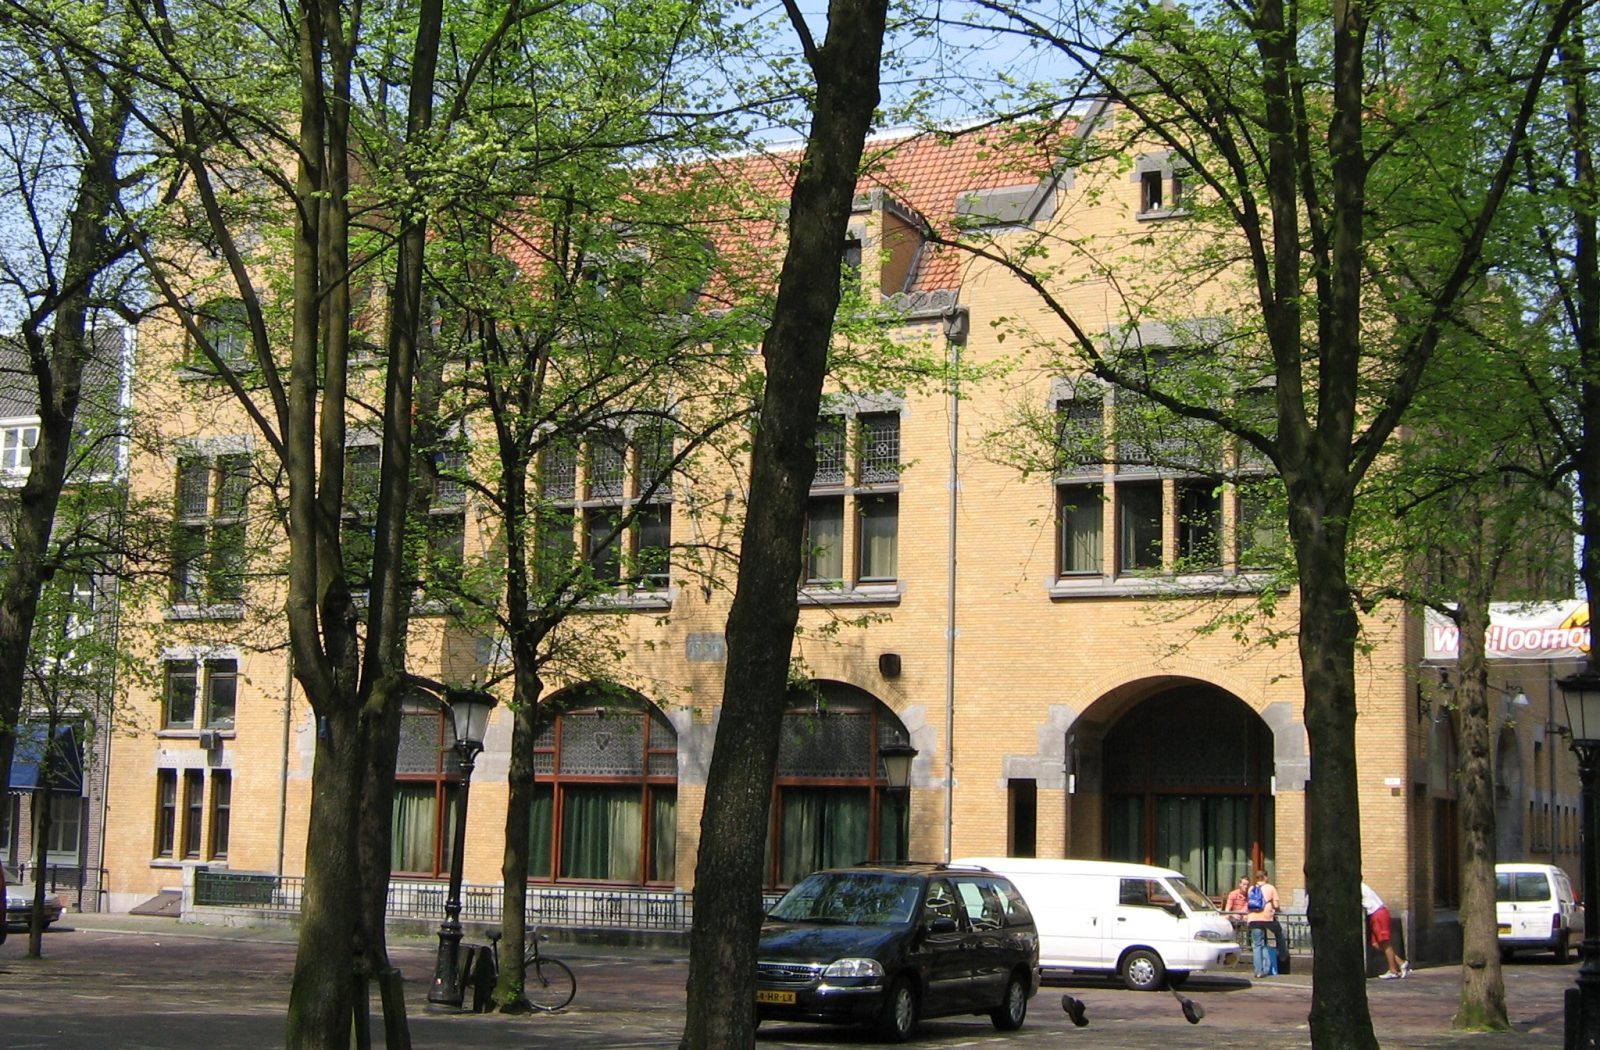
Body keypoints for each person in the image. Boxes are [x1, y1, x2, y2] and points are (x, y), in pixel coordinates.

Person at [1363, 882, 1411, 979]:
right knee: (1375, 944)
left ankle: (1393, 970)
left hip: (1378, 913)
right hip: (1375, 914)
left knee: (1385, 943)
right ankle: (1401, 963)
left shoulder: (1358, 887)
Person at [1247, 870, 1281, 977]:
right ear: (1265, 877)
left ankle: (1258, 971)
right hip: (1267, 919)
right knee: (1267, 943)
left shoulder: (1251, 889)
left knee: (1257, 945)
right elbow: (1276, 905)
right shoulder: (1271, 888)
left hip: (1253, 919)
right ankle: (1268, 968)